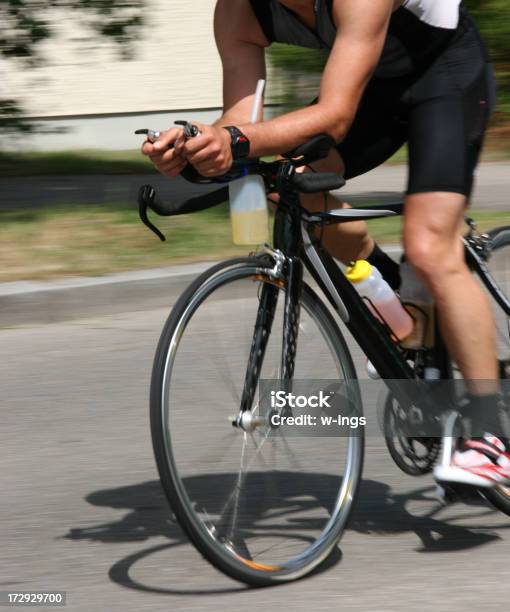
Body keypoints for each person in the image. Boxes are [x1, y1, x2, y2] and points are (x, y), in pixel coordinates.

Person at [142, 0, 510, 487]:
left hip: (446, 77)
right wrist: (197, 149)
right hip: (374, 90)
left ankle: (488, 439)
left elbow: (333, 118)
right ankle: (400, 296)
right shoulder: (238, 11)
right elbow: (240, 124)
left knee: (428, 244)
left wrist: (232, 140)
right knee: (284, 183)